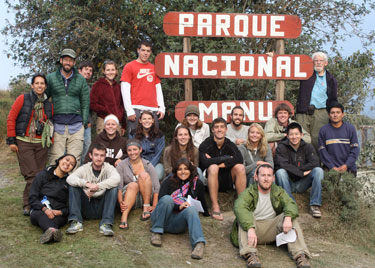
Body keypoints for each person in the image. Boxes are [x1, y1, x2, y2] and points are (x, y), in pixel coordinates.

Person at [230, 164, 311, 268]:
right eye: (263, 175)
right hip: (253, 231)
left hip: (272, 229)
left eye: (269, 175)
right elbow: (239, 207)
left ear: (273, 178)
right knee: (244, 217)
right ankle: (250, 254)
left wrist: (287, 218)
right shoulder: (248, 192)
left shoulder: (278, 191)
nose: (266, 179)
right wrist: (250, 228)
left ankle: (300, 255)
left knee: (290, 218)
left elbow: (290, 204)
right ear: (256, 177)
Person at [6, 73, 53, 216]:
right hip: (24, 142)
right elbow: (11, 118)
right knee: (31, 175)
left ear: (45, 86)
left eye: (42, 83)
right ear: (32, 85)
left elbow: (50, 123)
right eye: (37, 83)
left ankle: (36, 202)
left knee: (39, 175)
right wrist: (11, 140)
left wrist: (50, 138)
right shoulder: (23, 99)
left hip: (41, 144)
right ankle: (29, 204)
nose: (40, 85)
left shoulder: (48, 104)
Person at [150, 158, 209, 260]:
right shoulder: (168, 182)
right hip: (161, 218)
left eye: (186, 169)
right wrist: (179, 206)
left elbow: (202, 201)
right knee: (168, 199)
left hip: (177, 223)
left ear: (190, 170)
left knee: (192, 209)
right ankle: (157, 233)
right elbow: (161, 202)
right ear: (175, 171)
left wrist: (207, 213)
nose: (182, 172)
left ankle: (199, 244)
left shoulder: (197, 184)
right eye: (179, 169)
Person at [46, 48, 90, 167]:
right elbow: (44, 98)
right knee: (55, 159)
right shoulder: (50, 78)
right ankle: (54, 185)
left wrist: (84, 122)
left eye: (71, 60)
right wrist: (48, 119)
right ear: (61, 60)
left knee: (74, 160)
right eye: (65, 59)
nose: (68, 63)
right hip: (57, 125)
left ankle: (72, 185)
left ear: (74, 63)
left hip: (76, 125)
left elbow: (85, 102)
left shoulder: (80, 79)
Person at [66, 143, 120, 236]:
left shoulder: (108, 168)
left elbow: (117, 178)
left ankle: (106, 223)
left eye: (102, 155)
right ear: (91, 155)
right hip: (87, 205)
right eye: (96, 155)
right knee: (73, 185)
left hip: (102, 207)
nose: (99, 158)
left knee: (114, 187)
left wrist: (97, 187)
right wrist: (87, 184)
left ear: (105, 157)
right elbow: (69, 178)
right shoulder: (84, 168)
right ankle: (76, 222)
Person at [199, 117, 246, 221]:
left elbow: (239, 159)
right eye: (216, 127)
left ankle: (242, 204)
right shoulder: (206, 144)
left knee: (240, 167)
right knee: (213, 167)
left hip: (227, 179)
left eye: (222, 127)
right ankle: (215, 206)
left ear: (226, 129)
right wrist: (224, 158)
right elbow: (204, 162)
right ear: (212, 130)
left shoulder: (229, 143)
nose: (219, 130)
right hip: (210, 180)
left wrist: (217, 162)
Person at [275, 122, 324, 218]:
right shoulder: (281, 147)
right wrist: (300, 172)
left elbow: (315, 163)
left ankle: (315, 205)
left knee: (318, 171)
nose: (294, 137)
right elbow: (281, 164)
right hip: (287, 182)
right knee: (280, 172)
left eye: (296, 134)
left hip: (303, 183)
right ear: (287, 136)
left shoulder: (308, 147)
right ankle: (290, 203)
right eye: (291, 134)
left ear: (301, 135)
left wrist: (300, 170)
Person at [29, 154, 77, 244]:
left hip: (58, 213)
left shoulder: (69, 182)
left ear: (72, 169)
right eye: (67, 160)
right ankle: (53, 231)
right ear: (59, 160)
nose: (68, 164)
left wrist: (60, 212)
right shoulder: (43, 175)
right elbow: (32, 197)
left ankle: (51, 232)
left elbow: (70, 205)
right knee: (43, 216)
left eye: (72, 164)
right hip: (40, 210)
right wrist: (45, 209)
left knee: (56, 218)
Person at [121, 40, 165, 134]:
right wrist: (129, 110)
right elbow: (125, 89)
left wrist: (161, 108)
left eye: (148, 51)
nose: (145, 53)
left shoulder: (154, 68)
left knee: (153, 140)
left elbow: (158, 88)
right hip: (136, 109)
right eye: (143, 50)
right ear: (138, 50)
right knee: (134, 142)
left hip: (153, 110)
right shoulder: (129, 66)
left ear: (150, 52)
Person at [295, 52, 338, 151]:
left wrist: (332, 114)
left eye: (321, 60)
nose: (318, 63)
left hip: (321, 113)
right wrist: (274, 57)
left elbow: (333, 98)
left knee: (317, 139)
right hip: (303, 111)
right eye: (316, 61)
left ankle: (317, 164)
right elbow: (289, 71)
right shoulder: (305, 74)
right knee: (300, 138)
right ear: (312, 63)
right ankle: (302, 164)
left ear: (325, 63)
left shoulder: (331, 79)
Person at [116, 139, 160, 228]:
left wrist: (155, 205)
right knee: (133, 185)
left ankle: (146, 209)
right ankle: (124, 218)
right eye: (129, 150)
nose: (132, 153)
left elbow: (156, 186)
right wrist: (120, 201)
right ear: (127, 151)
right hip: (130, 196)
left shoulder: (147, 164)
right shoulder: (121, 165)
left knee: (143, 175)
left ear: (140, 150)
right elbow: (119, 186)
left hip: (146, 196)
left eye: (135, 149)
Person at [318, 102, 360, 176]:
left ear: (342, 114)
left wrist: (346, 165)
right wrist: (332, 167)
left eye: (338, 112)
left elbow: (355, 150)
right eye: (332, 113)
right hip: (329, 170)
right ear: (329, 115)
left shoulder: (350, 129)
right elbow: (322, 151)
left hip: (349, 169)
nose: (335, 115)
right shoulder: (323, 130)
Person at [90, 60, 126, 135]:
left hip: (117, 122)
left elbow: (121, 106)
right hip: (103, 120)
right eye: (108, 70)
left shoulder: (118, 87)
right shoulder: (98, 85)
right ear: (104, 71)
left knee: (116, 146)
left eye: (113, 70)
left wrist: (123, 125)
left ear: (116, 71)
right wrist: (105, 109)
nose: (110, 72)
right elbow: (92, 104)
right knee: (103, 145)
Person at [130, 110, 165, 182]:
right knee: (132, 175)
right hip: (137, 162)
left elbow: (158, 154)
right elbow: (132, 151)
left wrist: (148, 167)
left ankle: (153, 191)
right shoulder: (133, 134)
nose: (147, 121)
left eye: (149, 119)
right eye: (144, 119)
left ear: (153, 120)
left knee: (158, 174)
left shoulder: (159, 135)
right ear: (140, 120)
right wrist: (140, 166)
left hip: (154, 163)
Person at [78, 60, 94, 166]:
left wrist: (90, 121)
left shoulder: (89, 88)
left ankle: (83, 174)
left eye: (90, 70)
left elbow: (90, 107)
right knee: (75, 150)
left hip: (87, 124)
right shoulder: (74, 85)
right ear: (79, 70)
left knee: (87, 149)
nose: (88, 72)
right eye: (86, 69)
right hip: (75, 123)